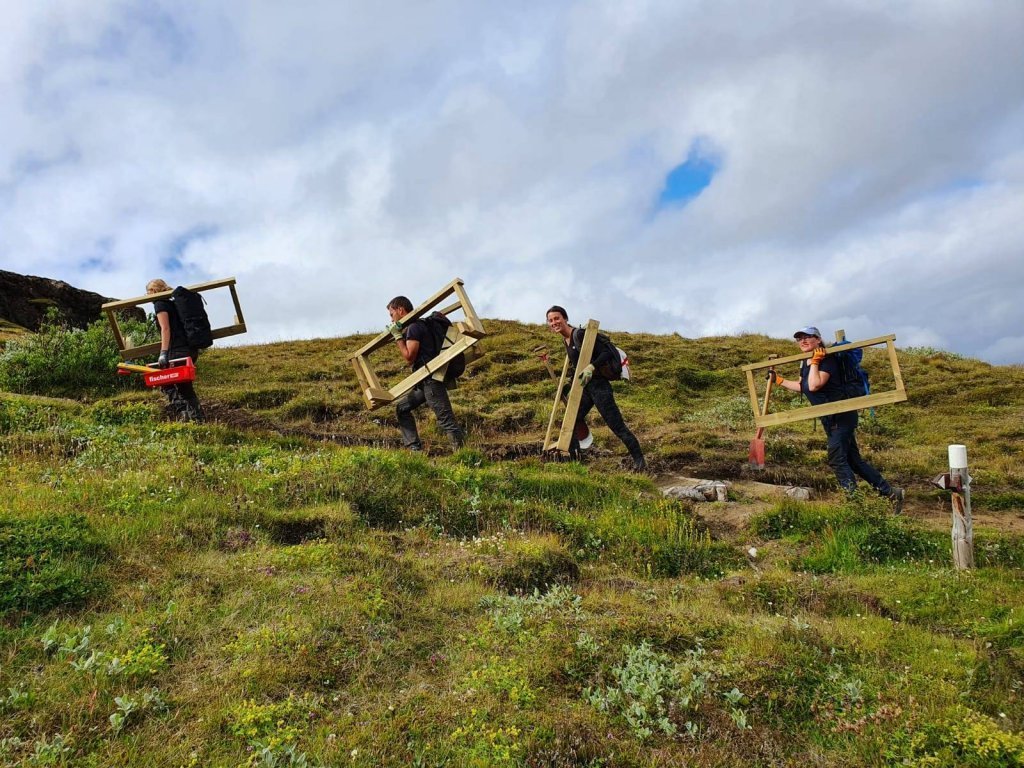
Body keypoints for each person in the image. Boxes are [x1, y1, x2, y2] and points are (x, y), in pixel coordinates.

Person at [772, 326, 902, 511]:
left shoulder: (827, 358)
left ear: (818, 339)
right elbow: (804, 386)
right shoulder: (806, 362)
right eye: (799, 338)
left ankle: (855, 505)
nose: (803, 341)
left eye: (808, 337)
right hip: (829, 418)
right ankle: (890, 493)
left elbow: (815, 385)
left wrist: (816, 362)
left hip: (841, 415)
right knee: (853, 460)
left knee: (837, 459)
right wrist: (779, 380)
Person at [545, 305, 646, 472]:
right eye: (550, 320)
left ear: (565, 318)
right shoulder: (566, 341)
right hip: (585, 388)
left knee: (616, 425)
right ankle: (575, 462)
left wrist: (592, 367)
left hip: (599, 386)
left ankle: (640, 461)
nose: (554, 322)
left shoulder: (580, 334)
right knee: (571, 421)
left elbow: (606, 352)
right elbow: (578, 367)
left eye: (557, 318)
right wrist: (567, 387)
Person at [386, 296, 465, 452]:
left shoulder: (414, 328)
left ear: (400, 310)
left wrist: (398, 337)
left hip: (430, 379)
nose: (391, 319)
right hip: (425, 380)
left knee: (445, 419)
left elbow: (409, 357)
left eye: (391, 314)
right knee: (402, 408)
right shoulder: (422, 324)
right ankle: (414, 448)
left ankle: (463, 454)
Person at [146, 279, 204, 422]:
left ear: (153, 291)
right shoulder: (174, 303)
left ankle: (187, 414)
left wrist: (163, 353)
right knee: (184, 386)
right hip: (189, 348)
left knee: (165, 381)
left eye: (147, 292)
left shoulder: (160, 304)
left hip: (177, 350)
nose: (147, 296)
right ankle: (196, 418)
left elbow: (166, 329)